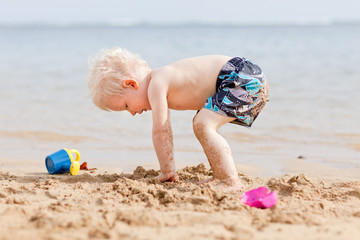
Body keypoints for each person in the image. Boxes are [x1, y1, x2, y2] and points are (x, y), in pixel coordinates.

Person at [88, 48, 269, 191]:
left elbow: (161, 129)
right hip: (247, 75)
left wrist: (167, 171)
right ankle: (221, 174)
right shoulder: (162, 78)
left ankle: (229, 180)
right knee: (201, 122)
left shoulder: (157, 83)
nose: (132, 113)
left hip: (239, 77)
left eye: (126, 106)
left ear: (131, 83)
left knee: (202, 124)